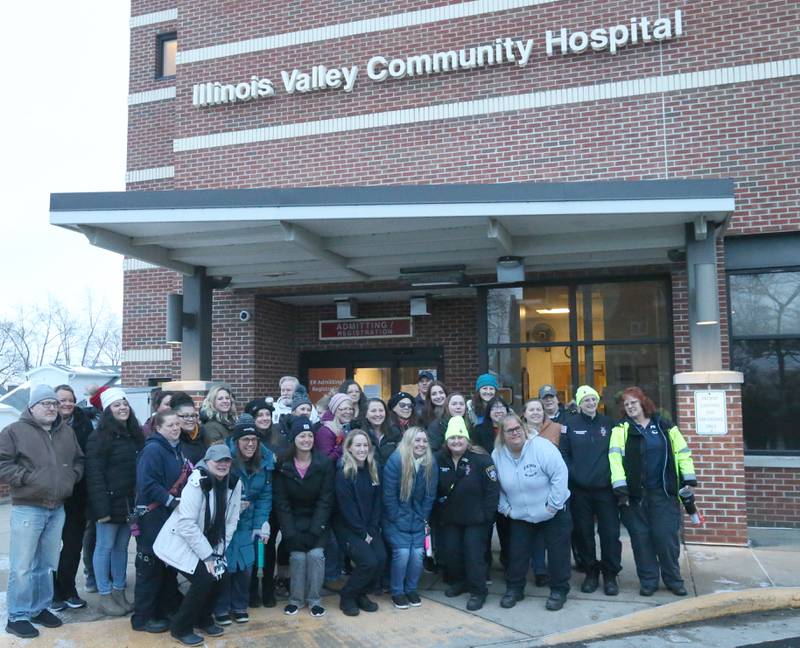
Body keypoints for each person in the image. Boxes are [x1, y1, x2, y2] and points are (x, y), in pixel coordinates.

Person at [0, 385, 84, 639]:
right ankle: (17, 615)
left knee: (46, 564)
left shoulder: (66, 432)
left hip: (57, 508)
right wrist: (28, 478)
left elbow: (79, 460)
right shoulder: (14, 431)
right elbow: (2, 464)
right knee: (23, 566)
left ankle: (39, 608)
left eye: (54, 404)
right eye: (45, 403)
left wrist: (71, 476)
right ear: (32, 407)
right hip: (28, 508)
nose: (51, 408)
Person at [610, 386, 697, 597]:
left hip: (664, 493)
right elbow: (614, 459)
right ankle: (648, 581)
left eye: (633, 402)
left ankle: (673, 579)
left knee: (666, 537)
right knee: (641, 540)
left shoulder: (665, 426)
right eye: (626, 404)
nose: (630, 407)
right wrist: (620, 487)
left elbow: (683, 453)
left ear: (643, 403)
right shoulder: (621, 429)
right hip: (635, 497)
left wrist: (688, 477)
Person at [154, 444, 242, 646]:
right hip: (181, 542)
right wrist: (208, 556)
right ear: (207, 462)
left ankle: (203, 619)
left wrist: (218, 553)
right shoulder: (197, 481)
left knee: (221, 576)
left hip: (209, 543)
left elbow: (232, 520)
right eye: (217, 461)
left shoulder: (234, 483)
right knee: (204, 579)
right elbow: (186, 524)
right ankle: (180, 627)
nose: (222, 464)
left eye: (226, 460)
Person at [493, 413, 572, 611]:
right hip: (520, 515)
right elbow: (496, 487)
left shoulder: (542, 447)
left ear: (524, 428)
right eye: (509, 430)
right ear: (502, 434)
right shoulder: (497, 455)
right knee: (517, 554)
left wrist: (552, 506)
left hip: (552, 511)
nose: (515, 432)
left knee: (557, 553)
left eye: (518, 427)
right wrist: (507, 510)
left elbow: (560, 475)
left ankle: (559, 590)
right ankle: (514, 589)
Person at [86, 387, 144, 617]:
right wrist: (102, 509)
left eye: (125, 404)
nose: (123, 408)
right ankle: (105, 594)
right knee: (104, 547)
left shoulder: (134, 434)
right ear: (108, 410)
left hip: (129, 504)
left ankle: (119, 591)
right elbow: (94, 475)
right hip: (108, 505)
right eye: (117, 405)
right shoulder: (98, 437)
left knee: (121, 548)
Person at [131, 409, 189, 633]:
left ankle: (164, 609)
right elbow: (146, 483)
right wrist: (170, 500)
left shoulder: (175, 449)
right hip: (153, 516)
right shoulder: (153, 450)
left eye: (177, 424)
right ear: (158, 428)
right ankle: (142, 618)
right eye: (170, 425)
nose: (175, 428)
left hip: (167, 516)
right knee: (150, 566)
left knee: (167, 565)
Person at [213, 415, 274, 624]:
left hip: (248, 522)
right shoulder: (225, 459)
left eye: (254, 440)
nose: (250, 444)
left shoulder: (264, 462)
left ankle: (239, 606)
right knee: (226, 566)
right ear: (236, 441)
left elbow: (265, 495)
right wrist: (232, 506)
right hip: (225, 523)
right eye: (245, 440)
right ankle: (221, 607)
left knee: (246, 567)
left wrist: (260, 523)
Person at [561, 385, 621, 596]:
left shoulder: (609, 424)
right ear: (579, 403)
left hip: (605, 490)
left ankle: (611, 574)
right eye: (585, 399)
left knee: (610, 533)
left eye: (593, 399)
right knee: (584, 533)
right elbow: (564, 456)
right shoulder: (569, 425)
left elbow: (616, 454)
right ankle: (591, 572)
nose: (590, 402)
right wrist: (574, 475)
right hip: (580, 491)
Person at [273, 417, 335, 617]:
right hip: (293, 523)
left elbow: (326, 500)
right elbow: (282, 503)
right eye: (302, 435)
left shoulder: (323, 463)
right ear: (294, 438)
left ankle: (315, 600)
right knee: (298, 557)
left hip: (317, 522)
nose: (306, 439)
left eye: (310, 435)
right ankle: (296, 600)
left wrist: (315, 530)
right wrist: (290, 533)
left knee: (316, 556)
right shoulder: (284, 465)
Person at [434, 416, 499, 611]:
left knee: (474, 555)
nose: (456, 441)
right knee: (452, 553)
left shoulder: (482, 460)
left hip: (476, 519)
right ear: (446, 440)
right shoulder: (439, 459)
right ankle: (460, 582)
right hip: (451, 518)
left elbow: (492, 489)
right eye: (452, 437)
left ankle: (478, 591)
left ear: (467, 439)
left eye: (460, 437)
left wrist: (488, 516)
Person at [382, 426, 438, 610]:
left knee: (418, 554)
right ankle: (397, 591)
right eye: (417, 440)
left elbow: (430, 495)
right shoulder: (396, 460)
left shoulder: (430, 462)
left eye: (424, 441)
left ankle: (411, 588)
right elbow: (389, 496)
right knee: (403, 553)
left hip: (418, 518)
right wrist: (399, 517)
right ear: (409, 441)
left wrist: (423, 517)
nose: (421, 444)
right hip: (396, 518)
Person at [334, 430, 386, 616]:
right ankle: (347, 595)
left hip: (370, 528)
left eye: (365, 445)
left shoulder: (374, 469)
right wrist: (363, 534)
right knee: (368, 562)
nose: (362, 449)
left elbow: (377, 502)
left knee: (380, 558)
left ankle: (361, 593)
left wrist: (372, 530)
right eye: (358, 445)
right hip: (349, 529)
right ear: (349, 448)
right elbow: (347, 509)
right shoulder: (344, 473)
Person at [51, 384, 93, 611]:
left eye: (70, 400)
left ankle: (68, 589)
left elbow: (85, 458)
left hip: (77, 495)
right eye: (61, 400)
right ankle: (53, 592)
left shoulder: (85, 423)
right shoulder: (44, 425)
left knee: (72, 546)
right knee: (49, 547)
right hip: (49, 497)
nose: (66, 404)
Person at [244, 397, 286, 606]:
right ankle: (252, 589)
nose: (264, 418)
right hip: (253, 503)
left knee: (269, 547)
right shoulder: (247, 440)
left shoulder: (279, 437)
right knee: (252, 546)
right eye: (259, 415)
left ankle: (268, 589)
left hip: (275, 501)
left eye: (267, 414)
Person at [520, 397, 564, 587]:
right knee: (535, 533)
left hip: (553, 487)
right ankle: (539, 570)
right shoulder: (518, 432)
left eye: (539, 409)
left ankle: (557, 572)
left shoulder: (556, 428)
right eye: (532, 410)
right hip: (529, 489)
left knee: (554, 535)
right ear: (525, 413)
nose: (536, 413)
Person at [361, 398, 400, 470]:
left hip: (391, 476)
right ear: (365, 414)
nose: (378, 414)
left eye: (381, 410)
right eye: (373, 411)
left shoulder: (395, 432)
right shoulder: (360, 435)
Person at [314, 392, 354, 463]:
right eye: (344, 409)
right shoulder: (325, 431)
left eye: (350, 409)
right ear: (334, 410)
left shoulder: (349, 428)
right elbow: (326, 460)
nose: (348, 412)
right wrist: (344, 445)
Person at [172, 392, 206, 466]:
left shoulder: (203, 435)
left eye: (193, 415)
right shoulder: (172, 440)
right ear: (175, 416)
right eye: (185, 416)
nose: (190, 419)